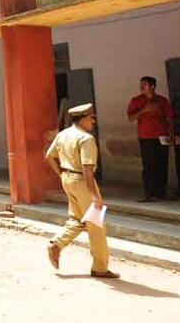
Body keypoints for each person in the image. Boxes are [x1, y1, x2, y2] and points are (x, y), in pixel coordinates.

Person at [45, 104, 118, 279]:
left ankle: (57, 244)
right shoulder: (86, 139)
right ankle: (100, 267)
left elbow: (48, 156)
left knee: (77, 219)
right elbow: (87, 169)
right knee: (96, 225)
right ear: (84, 119)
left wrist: (62, 174)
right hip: (83, 182)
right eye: (91, 118)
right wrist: (94, 196)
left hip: (68, 179)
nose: (93, 121)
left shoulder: (63, 134)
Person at [127, 76, 174, 202]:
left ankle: (161, 192)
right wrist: (144, 110)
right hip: (145, 136)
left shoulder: (162, 100)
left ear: (152, 86)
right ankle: (148, 193)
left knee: (162, 164)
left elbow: (169, 118)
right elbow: (130, 118)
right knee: (148, 165)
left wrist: (172, 133)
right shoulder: (136, 100)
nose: (142, 87)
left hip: (162, 136)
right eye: (141, 84)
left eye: (145, 84)